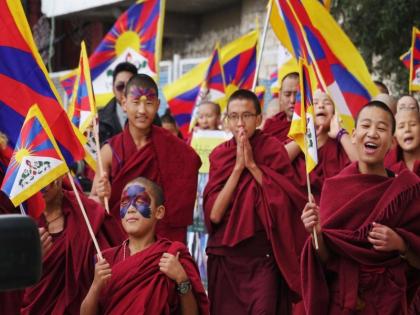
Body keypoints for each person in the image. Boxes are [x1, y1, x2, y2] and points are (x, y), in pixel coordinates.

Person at [300, 101, 420, 314]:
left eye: (381, 128)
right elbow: (327, 260)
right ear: (354, 135)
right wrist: (316, 233)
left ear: (393, 142)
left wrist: (401, 243)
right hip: (345, 300)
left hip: (388, 302)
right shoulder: (335, 187)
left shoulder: (406, 190)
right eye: (366, 126)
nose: (372, 133)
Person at [204, 89, 308, 314]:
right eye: (233, 116)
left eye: (246, 116)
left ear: (259, 119)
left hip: (262, 257)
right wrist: (238, 168)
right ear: (227, 121)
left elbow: (285, 202)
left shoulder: (273, 151)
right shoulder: (220, 155)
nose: (240, 123)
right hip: (226, 258)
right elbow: (214, 214)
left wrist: (252, 165)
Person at [91, 74, 201, 243]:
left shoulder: (172, 146)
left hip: (161, 241)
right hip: (121, 240)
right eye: (135, 102)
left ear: (157, 105)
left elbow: (190, 168)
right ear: (124, 104)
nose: (142, 110)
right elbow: (94, 203)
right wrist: (101, 194)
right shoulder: (109, 152)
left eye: (149, 103)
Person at [81, 177, 209, 314]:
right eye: (124, 203)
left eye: (140, 202)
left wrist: (182, 279)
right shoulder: (106, 260)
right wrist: (95, 286)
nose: (130, 209)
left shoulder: (173, 255)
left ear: (159, 212)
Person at [20, 177, 125, 315]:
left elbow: (109, 258)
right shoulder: (25, 218)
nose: (38, 186)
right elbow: (16, 278)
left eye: (43, 178)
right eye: (32, 180)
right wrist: (32, 257)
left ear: (57, 176)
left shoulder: (86, 212)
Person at [285, 90, 356, 202]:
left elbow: (360, 163)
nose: (321, 106)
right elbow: (278, 161)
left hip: (330, 208)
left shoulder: (342, 145)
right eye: (315, 103)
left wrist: (341, 133)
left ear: (334, 112)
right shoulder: (297, 141)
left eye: (327, 103)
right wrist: (306, 136)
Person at [98, 62, 138, 145]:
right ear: (113, 89)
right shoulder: (98, 120)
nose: (125, 91)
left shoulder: (151, 117)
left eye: (130, 86)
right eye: (120, 86)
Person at [263, 71, 299, 143]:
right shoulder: (271, 124)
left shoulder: (311, 126)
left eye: (297, 95)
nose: (292, 100)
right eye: (287, 94)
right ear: (280, 97)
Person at [385, 109, 420, 175]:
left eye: (413, 124)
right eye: (401, 127)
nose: (407, 129)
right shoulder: (389, 168)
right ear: (394, 134)